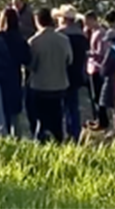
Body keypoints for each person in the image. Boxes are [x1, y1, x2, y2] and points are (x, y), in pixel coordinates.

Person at [27, 8, 72, 142]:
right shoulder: (64, 39)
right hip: (60, 85)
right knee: (57, 117)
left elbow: (31, 65)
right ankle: (59, 140)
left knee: (41, 119)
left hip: (40, 85)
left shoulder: (34, 41)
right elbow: (69, 60)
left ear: (38, 21)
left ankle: (42, 141)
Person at [0, 7, 32, 138]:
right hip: (15, 76)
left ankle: (3, 136)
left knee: (2, 109)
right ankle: (17, 137)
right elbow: (27, 59)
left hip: (0, 77)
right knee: (15, 112)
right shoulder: (19, 39)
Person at [58, 6, 88, 141]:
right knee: (74, 104)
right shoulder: (82, 35)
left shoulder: (61, 34)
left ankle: (65, 131)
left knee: (62, 105)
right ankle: (75, 132)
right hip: (77, 72)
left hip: (63, 72)